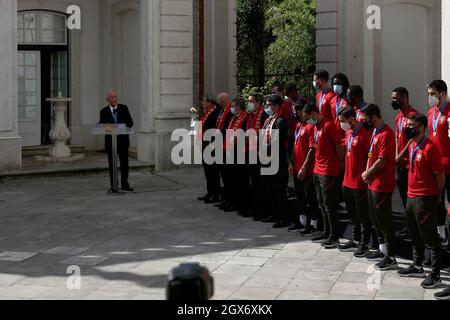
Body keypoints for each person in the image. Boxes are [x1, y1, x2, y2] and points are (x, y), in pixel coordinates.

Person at [396, 114, 444, 289]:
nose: (408, 128)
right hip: (411, 195)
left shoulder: (431, 147)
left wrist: (436, 195)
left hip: (424, 198)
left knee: (429, 235)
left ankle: (436, 273)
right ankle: (418, 265)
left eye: (411, 125)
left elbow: (439, 175)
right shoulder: (413, 144)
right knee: (414, 233)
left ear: (421, 127)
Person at [360, 104, 398, 271]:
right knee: (375, 218)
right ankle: (382, 250)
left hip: (382, 184)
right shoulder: (374, 132)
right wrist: (368, 174)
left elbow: (382, 161)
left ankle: (391, 257)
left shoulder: (386, 134)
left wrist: (368, 172)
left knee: (384, 221)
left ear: (374, 117)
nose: (363, 123)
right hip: (372, 183)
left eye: (365, 120)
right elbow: (372, 155)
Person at [303, 103, 345, 248]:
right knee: (321, 204)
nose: (308, 121)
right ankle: (326, 231)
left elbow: (338, 147)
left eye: (308, 117)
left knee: (329, 205)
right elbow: (312, 149)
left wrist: (339, 164)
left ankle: (334, 236)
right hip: (317, 170)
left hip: (328, 171)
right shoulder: (315, 128)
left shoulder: (329, 125)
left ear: (314, 113)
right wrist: (306, 166)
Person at [338, 107, 373, 257]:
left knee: (363, 215)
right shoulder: (348, 132)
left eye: (342, 121)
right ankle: (355, 238)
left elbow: (370, 157)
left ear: (351, 119)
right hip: (347, 180)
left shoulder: (365, 133)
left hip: (359, 181)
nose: (341, 124)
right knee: (352, 213)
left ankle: (364, 243)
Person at [289, 102, 321, 236]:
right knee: (300, 195)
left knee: (310, 197)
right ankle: (302, 221)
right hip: (297, 167)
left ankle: (314, 223)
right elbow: (294, 146)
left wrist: (304, 166)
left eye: (299, 111)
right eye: (295, 111)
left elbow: (311, 150)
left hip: (307, 169)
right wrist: (291, 163)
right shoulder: (298, 126)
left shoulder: (311, 127)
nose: (297, 114)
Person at [260, 95, 291, 229]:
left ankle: (283, 217)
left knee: (279, 190)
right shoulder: (269, 119)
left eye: (270, 105)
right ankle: (273, 214)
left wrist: (264, 148)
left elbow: (276, 140)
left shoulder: (281, 121)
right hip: (267, 158)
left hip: (277, 160)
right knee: (269, 188)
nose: (268, 107)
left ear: (277, 106)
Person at [392, 87, 418, 239]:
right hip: (400, 163)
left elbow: (412, 138)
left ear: (405, 98)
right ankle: (408, 225)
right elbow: (397, 137)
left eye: (396, 98)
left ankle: (414, 227)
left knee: (410, 198)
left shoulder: (413, 116)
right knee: (403, 196)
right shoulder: (398, 117)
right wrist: (396, 154)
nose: (394, 101)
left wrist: (401, 154)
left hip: (409, 163)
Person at [427, 80, 450, 248]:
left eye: (433, 94)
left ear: (442, 94)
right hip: (436, 166)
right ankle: (441, 234)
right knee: (438, 201)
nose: (431, 97)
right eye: (429, 94)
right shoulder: (430, 113)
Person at [99, 91, 134, 192]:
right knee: (112, 164)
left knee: (124, 163)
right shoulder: (103, 111)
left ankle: (125, 184)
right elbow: (103, 126)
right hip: (111, 142)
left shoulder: (124, 108)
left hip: (123, 141)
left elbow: (131, 122)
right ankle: (114, 185)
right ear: (108, 99)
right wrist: (113, 128)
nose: (114, 99)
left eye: (115, 97)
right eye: (112, 97)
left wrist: (121, 127)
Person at [224, 97, 249, 215]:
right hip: (231, 150)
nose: (232, 108)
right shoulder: (234, 117)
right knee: (232, 179)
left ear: (239, 106)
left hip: (239, 151)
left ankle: (243, 204)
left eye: (233, 106)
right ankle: (233, 201)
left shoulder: (245, 117)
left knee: (241, 180)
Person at [246, 93, 269, 219]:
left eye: (252, 101)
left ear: (259, 102)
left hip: (259, 153)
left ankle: (262, 210)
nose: (249, 103)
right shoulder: (250, 115)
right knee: (254, 183)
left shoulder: (263, 115)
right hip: (250, 152)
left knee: (260, 184)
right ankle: (255, 208)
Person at [197, 94, 222, 203]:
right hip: (205, 143)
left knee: (213, 171)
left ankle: (215, 194)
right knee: (208, 171)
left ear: (209, 102)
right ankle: (210, 192)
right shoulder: (207, 113)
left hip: (211, 145)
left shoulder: (214, 113)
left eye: (203, 101)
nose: (202, 103)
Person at [214, 93, 234, 211]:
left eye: (221, 102)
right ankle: (226, 199)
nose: (219, 105)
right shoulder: (222, 110)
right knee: (224, 175)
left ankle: (230, 200)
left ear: (225, 100)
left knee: (229, 176)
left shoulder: (230, 111)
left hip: (227, 146)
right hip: (220, 145)